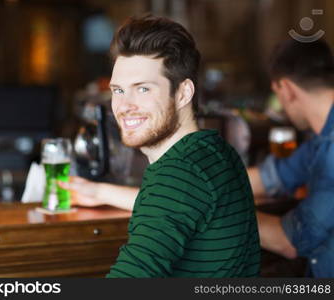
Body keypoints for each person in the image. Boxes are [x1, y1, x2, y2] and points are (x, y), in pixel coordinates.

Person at [61, 15, 260, 278]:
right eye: (118, 90)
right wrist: (98, 192)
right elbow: (176, 205)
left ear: (183, 93)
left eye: (142, 89)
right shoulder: (215, 152)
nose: (124, 106)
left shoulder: (177, 172)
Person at [247, 39, 334, 278]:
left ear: (285, 89)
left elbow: (291, 241)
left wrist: (210, 207)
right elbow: (270, 177)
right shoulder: (320, 139)